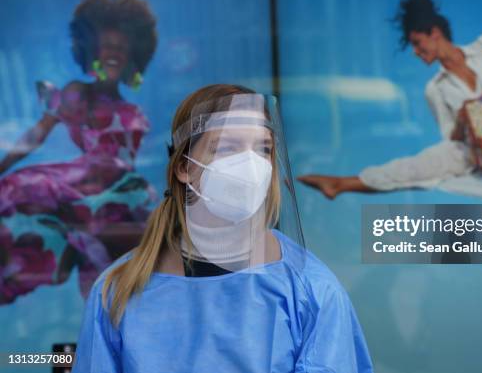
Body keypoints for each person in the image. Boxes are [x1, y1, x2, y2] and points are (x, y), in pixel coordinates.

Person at [71, 84, 373, 373]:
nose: (251, 165)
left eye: (263, 149)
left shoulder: (311, 290)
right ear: (184, 167)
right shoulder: (118, 291)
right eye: (227, 148)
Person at [298, 0, 482, 242]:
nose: (417, 52)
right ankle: (341, 183)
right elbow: (451, 137)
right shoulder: (434, 89)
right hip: (472, 151)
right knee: (412, 168)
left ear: (434, 32)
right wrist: (463, 120)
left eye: (418, 43)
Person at [0, 0, 157, 301]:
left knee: (110, 290)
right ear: (92, 50)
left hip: (118, 204)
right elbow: (37, 134)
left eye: (122, 48)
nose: (114, 53)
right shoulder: (76, 95)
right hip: (78, 193)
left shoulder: (135, 114)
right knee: (14, 191)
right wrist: (3, 166)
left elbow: (133, 166)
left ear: (133, 55)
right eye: (107, 45)